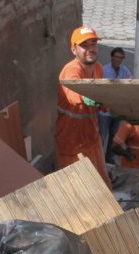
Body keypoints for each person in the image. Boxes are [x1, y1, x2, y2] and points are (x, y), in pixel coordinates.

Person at [55, 26, 112, 188]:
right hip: (72, 145)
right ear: (74, 49)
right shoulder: (71, 70)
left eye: (93, 44)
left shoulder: (98, 68)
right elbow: (74, 92)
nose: (91, 49)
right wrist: (89, 98)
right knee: (79, 192)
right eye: (84, 45)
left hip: (92, 138)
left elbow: (98, 99)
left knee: (103, 187)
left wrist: (107, 104)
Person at [100, 47, 132, 163]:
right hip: (104, 111)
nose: (119, 60)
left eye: (121, 58)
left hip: (117, 110)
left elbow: (130, 84)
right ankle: (99, 160)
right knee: (102, 136)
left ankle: (109, 158)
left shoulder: (124, 71)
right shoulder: (103, 70)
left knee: (113, 137)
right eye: (117, 57)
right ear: (112, 57)